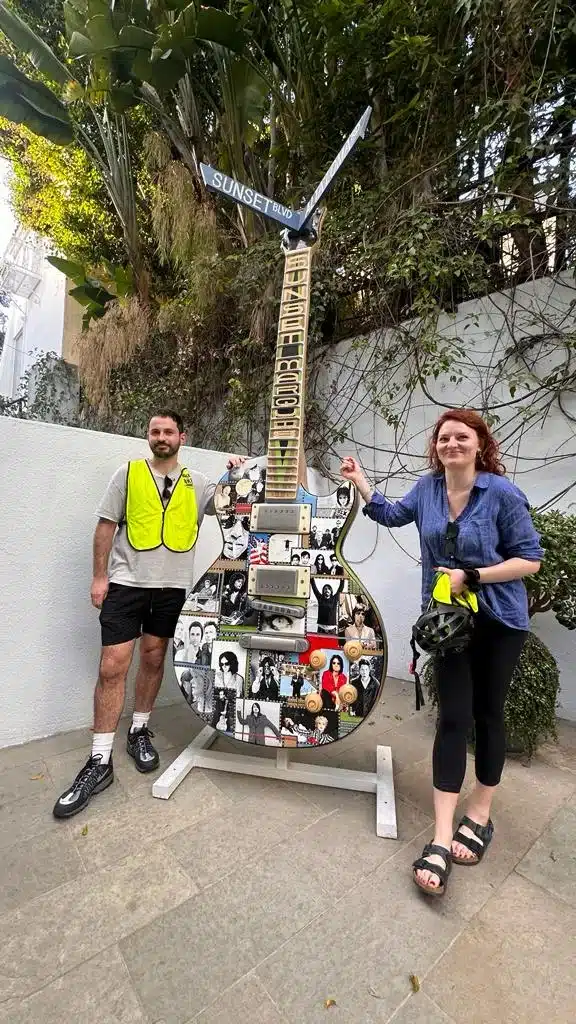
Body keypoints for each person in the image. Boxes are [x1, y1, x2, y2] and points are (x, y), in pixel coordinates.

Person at [341, 408, 542, 896]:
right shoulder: (428, 490)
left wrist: (472, 575)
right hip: (450, 625)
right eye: (444, 438)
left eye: (461, 437)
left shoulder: (502, 493)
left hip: (500, 623)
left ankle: (481, 811)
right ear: (437, 448)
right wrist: (361, 481)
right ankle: (441, 835)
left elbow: (529, 560)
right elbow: (391, 515)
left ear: (479, 445)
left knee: (488, 716)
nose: (451, 444)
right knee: (453, 719)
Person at [52, 410, 247, 819]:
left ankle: (139, 729)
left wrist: (236, 470)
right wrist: (98, 578)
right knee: (112, 667)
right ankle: (99, 760)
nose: (161, 436)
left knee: (154, 657)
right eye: (155, 431)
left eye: (169, 431)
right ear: (149, 436)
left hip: (173, 588)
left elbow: (234, 503)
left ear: (182, 436)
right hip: (126, 585)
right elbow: (105, 528)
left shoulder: (198, 484)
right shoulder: (128, 473)